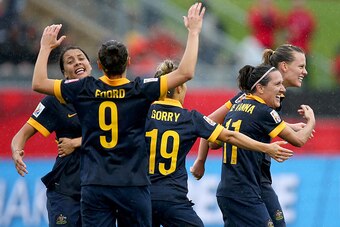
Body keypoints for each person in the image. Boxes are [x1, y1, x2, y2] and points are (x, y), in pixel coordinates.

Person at [31, 3, 205, 226]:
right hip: (132, 185)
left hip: (95, 185)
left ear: (101, 65)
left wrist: (45, 47)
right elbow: (186, 72)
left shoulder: (84, 89)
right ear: (128, 63)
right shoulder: (139, 89)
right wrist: (193, 32)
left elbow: (38, 83)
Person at [145, 60, 293, 227]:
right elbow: (230, 137)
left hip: (142, 196)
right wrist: (265, 147)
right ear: (179, 87)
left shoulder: (141, 115)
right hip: (173, 200)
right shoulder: (190, 118)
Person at [191, 44, 309, 226]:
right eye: (301, 66)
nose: (305, 72)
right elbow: (210, 122)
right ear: (284, 66)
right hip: (248, 181)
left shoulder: (271, 95)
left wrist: (288, 126)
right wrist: (200, 160)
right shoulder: (248, 96)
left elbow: (255, 122)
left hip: (256, 178)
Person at [214, 64, 315, 226]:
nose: (282, 89)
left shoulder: (235, 108)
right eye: (277, 84)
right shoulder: (264, 111)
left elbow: (214, 143)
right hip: (244, 192)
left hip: (232, 189)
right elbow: (299, 140)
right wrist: (311, 120)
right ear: (260, 88)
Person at [11, 45, 92, 226]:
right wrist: (16, 151)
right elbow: (21, 135)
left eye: (81, 58)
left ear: (90, 64)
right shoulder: (56, 100)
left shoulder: (104, 95)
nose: (77, 62)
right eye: (70, 62)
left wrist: (76, 142)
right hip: (65, 191)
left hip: (98, 191)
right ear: (65, 74)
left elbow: (118, 135)